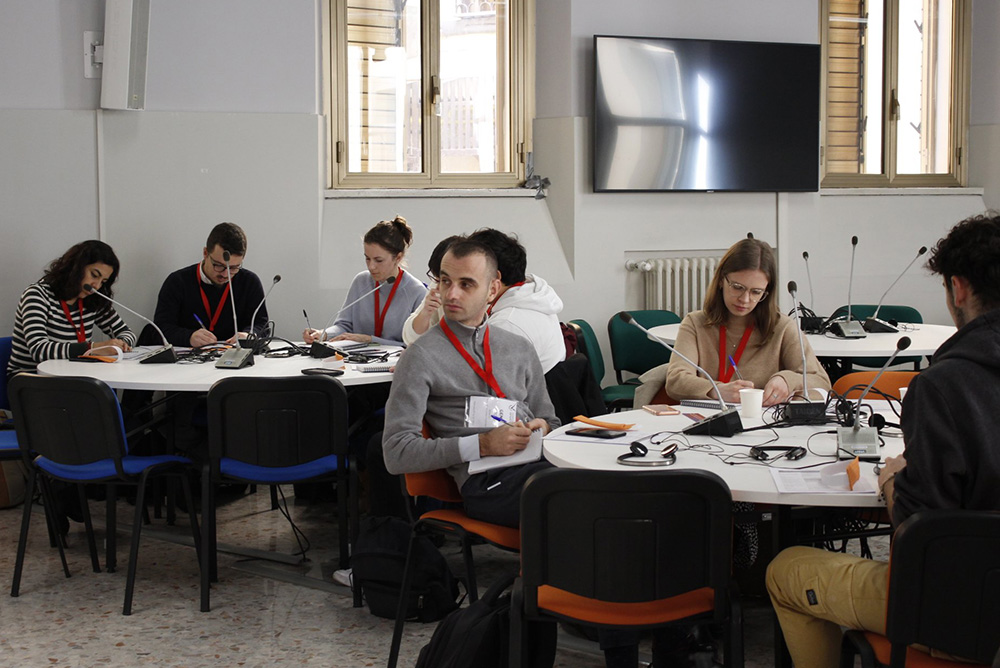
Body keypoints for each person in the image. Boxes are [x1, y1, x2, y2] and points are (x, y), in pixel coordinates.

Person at [766, 212, 1000, 668]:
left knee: (786, 570)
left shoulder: (944, 387)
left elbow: (921, 533)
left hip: (959, 609)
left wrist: (893, 481)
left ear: (959, 289)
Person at [382, 238, 559, 528]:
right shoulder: (420, 357)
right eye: (444, 281)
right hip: (488, 483)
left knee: (613, 483)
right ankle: (544, 573)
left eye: (466, 284)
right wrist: (481, 444)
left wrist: (545, 427)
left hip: (538, 464)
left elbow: (551, 419)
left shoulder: (518, 346)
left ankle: (552, 573)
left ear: (492, 289)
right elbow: (396, 452)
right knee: (577, 496)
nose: (450, 294)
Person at [634, 238, 830, 407]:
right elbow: (676, 380)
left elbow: (821, 382)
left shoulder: (783, 327)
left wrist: (787, 380)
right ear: (721, 281)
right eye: (737, 287)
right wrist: (716, 390)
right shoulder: (695, 323)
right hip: (707, 426)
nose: (744, 300)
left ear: (767, 292)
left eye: (756, 292)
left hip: (765, 428)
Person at [404, 228, 566, 373]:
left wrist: (422, 362)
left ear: (494, 279)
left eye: (468, 280)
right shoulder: (525, 296)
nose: (453, 292)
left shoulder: (508, 323)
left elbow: (471, 378)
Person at [8, 240, 135, 377]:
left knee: (102, 391)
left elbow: (127, 332)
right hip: (32, 380)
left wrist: (120, 345)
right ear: (76, 267)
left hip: (74, 377)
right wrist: (94, 348)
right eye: (94, 275)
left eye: (103, 281)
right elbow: (40, 350)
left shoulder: (92, 299)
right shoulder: (37, 295)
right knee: (98, 395)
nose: (96, 286)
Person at [304, 216, 427, 347]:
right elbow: (343, 326)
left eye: (378, 260)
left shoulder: (416, 291)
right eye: (367, 258)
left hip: (394, 364)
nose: (371, 266)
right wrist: (323, 334)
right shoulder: (361, 281)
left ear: (398, 257)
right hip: (355, 361)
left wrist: (369, 339)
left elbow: (413, 345)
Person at [153, 222, 267, 347]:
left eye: (234, 268)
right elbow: (160, 329)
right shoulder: (177, 282)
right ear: (205, 253)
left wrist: (250, 335)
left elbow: (262, 325)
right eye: (219, 265)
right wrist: (188, 337)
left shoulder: (249, 282)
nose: (225, 274)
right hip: (188, 363)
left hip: (234, 358)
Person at [401, 234, 463, 347]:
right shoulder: (436, 287)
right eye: (437, 280)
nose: (439, 287)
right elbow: (410, 337)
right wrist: (425, 313)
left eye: (445, 281)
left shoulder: (472, 296)